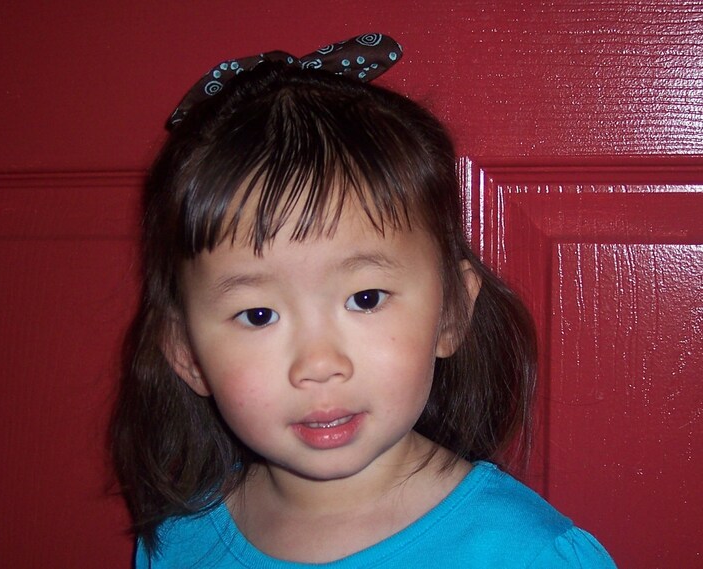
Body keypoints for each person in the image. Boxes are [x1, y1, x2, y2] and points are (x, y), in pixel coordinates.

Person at [110, 34, 616, 568]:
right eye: (259, 315)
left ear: (451, 312)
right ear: (186, 353)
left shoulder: (529, 555)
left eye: (366, 298)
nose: (319, 364)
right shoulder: (177, 545)